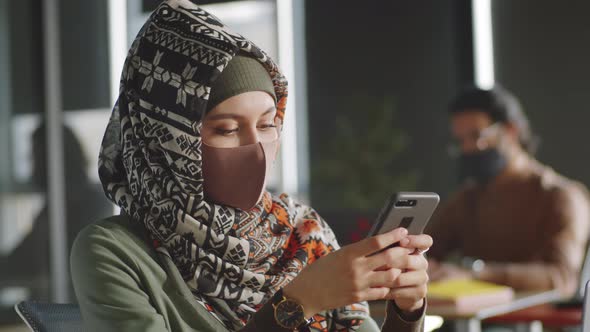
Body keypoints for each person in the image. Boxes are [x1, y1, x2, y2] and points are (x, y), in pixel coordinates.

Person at [70, 1, 432, 331]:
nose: (256, 147)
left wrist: (407, 310)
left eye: (266, 124)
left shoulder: (302, 232)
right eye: (226, 129)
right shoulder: (114, 252)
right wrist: (298, 302)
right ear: (164, 140)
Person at [426, 84, 590, 297]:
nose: (467, 148)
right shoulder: (467, 199)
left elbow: (561, 278)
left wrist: (476, 274)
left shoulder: (560, 196)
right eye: (460, 141)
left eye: (477, 135)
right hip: (474, 320)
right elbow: (428, 249)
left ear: (511, 131)